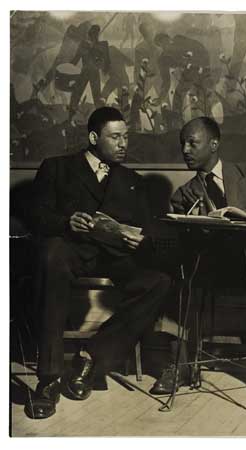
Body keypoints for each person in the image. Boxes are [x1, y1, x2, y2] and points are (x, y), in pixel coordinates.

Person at [150, 116, 246, 422]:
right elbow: (177, 241)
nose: (185, 149)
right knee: (175, 272)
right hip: (215, 266)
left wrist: (238, 215)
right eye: (182, 143)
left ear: (214, 144)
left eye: (192, 143)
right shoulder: (183, 194)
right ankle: (182, 365)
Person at [24, 107, 171, 419]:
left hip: (116, 258)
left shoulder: (132, 180)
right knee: (51, 255)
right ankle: (48, 379)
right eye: (115, 137)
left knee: (159, 282)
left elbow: (150, 228)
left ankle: (90, 358)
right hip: (72, 252)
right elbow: (35, 216)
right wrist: (66, 222)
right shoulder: (57, 168)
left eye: (126, 137)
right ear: (93, 137)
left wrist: (141, 241)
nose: (123, 144)